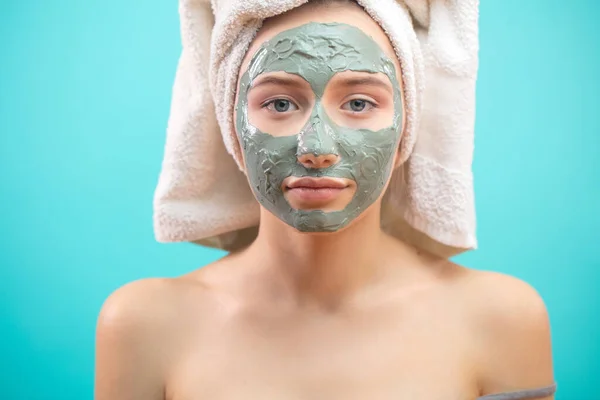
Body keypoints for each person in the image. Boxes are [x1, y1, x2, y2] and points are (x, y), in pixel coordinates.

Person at [95, 1, 556, 399]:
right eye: (279, 104)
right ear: (231, 124)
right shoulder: (145, 326)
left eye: (358, 103)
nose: (317, 148)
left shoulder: (501, 320)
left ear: (405, 128)